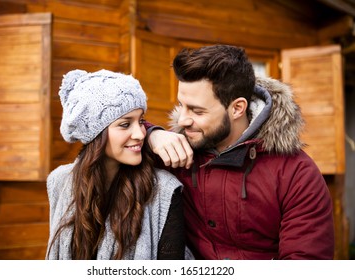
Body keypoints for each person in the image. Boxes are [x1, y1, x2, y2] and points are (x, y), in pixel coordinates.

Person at [146, 44, 335, 259]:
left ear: (237, 108)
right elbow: (110, 134)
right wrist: (152, 134)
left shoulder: (297, 174)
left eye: (197, 111)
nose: (182, 120)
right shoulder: (176, 152)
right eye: (181, 105)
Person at [46, 69, 188, 260]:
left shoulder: (163, 190)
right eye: (125, 124)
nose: (140, 134)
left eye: (141, 121)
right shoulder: (59, 182)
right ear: (95, 133)